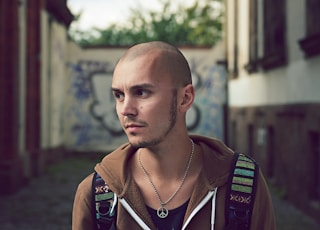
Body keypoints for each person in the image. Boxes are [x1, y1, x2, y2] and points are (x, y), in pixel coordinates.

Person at [72, 41, 275, 230]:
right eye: (119, 95)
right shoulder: (96, 195)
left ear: (185, 98)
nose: (126, 109)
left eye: (142, 92)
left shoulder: (242, 187)